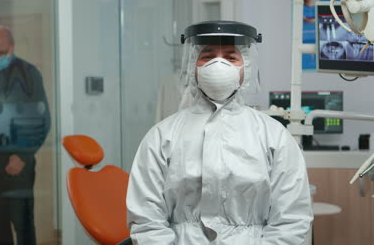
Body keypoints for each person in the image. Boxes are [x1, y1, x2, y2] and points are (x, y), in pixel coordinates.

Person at [126, 21, 313, 244]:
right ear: (193, 66)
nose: (218, 64)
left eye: (231, 57)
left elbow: (291, 219)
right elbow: (147, 220)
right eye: (207, 56)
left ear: (247, 68)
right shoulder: (161, 136)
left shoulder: (274, 136)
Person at [0, 25, 51, 245]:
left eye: (0, 52)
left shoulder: (28, 73)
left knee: (23, 223)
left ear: (12, 47)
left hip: (18, 162)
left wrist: (23, 156)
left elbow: (42, 121)